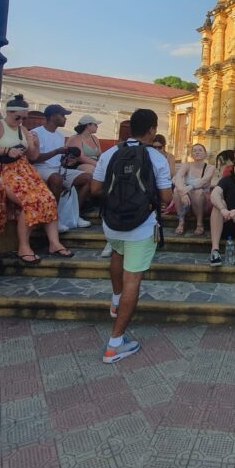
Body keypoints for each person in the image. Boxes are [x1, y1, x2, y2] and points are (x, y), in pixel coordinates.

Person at [91, 108, 173, 363]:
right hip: (141, 225)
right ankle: (115, 343)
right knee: (133, 280)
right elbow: (166, 197)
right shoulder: (156, 158)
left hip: (112, 223)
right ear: (152, 130)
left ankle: (115, 300)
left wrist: (118, 202)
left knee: (117, 252)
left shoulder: (110, 153)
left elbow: (95, 189)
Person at [0, 95, 73, 263]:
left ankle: (54, 243)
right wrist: (5, 151)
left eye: (24, 118)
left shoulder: (23, 130)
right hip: (2, 169)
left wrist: (34, 144)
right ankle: (24, 246)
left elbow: (34, 156)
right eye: (18, 117)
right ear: (8, 112)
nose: (21, 121)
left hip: (24, 170)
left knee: (49, 198)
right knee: (30, 200)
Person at [31, 104, 93, 222]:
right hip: (40, 168)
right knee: (57, 179)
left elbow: (59, 159)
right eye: (63, 115)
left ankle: (74, 215)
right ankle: (54, 219)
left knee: (88, 178)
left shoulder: (60, 136)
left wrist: (67, 160)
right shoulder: (36, 133)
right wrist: (56, 152)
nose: (65, 118)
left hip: (58, 169)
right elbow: (34, 158)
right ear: (53, 116)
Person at [173, 143, 215, 236]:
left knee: (198, 192)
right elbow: (178, 177)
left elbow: (203, 181)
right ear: (191, 154)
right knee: (176, 191)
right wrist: (183, 193)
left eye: (200, 150)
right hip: (186, 202)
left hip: (203, 202)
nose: (197, 152)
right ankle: (181, 221)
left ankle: (199, 224)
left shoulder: (210, 168)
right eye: (194, 151)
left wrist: (187, 188)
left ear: (205, 154)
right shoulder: (187, 165)